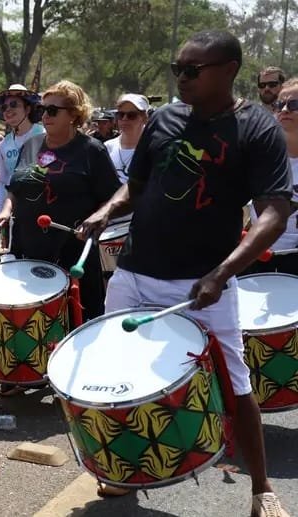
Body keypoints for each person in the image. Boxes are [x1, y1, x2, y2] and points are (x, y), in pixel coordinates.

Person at [79, 31, 291, 516]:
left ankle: (262, 488)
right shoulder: (166, 119)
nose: (182, 78)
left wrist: (223, 272)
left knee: (236, 383)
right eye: (178, 69)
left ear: (229, 69)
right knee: (118, 374)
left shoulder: (256, 129)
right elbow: (136, 188)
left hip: (204, 282)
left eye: (192, 70)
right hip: (134, 271)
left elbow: (275, 212)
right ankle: (122, 468)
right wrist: (106, 210)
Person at [0, 80, 121, 397]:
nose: (44, 115)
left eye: (52, 110)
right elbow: (15, 189)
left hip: (72, 247)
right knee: (28, 313)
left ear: (74, 115)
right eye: (41, 109)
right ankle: (26, 369)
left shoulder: (91, 151)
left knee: (79, 313)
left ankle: (77, 377)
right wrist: (6, 211)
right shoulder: (31, 146)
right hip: (30, 243)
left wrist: (94, 220)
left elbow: (114, 197)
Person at [246, 78, 298, 276]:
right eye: (279, 104)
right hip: (255, 257)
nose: (284, 109)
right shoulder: (259, 155)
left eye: (294, 105)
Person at [0, 84, 46, 250]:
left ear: (28, 109)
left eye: (14, 105)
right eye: (5, 106)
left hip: (44, 208)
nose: (8, 110)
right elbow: (2, 181)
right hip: (16, 210)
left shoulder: (43, 134)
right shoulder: (4, 145)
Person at [105, 94, 150, 185]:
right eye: (120, 115)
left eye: (131, 115)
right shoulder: (107, 147)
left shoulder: (152, 148)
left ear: (144, 118)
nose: (124, 119)